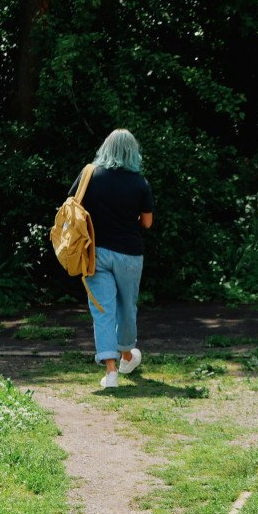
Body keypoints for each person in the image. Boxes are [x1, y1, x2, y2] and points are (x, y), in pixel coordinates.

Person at [68, 129, 154, 389]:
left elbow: (71, 205)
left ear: (106, 148)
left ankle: (113, 370)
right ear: (133, 152)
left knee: (102, 310)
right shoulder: (139, 182)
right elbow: (147, 223)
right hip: (129, 254)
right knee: (127, 307)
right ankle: (127, 353)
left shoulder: (89, 174)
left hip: (96, 252)